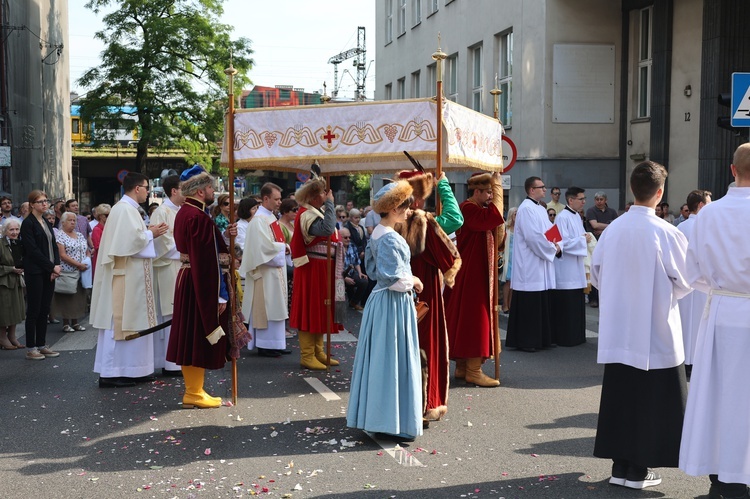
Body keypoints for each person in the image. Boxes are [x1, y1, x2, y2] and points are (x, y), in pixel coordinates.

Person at [592, 161, 691, 490]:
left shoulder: (613, 230)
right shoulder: (667, 232)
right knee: (651, 402)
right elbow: (685, 280)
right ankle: (638, 470)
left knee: (622, 397)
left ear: (633, 189)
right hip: (653, 329)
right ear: (660, 193)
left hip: (619, 328)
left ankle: (621, 466)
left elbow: (597, 275)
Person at [680, 144, 750, 498]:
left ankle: (722, 472)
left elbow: (692, 274)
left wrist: (721, 286)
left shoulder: (708, 215)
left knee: (721, 396)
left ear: (731, 170)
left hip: (723, 311)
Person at [346, 180, 424, 442]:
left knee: (382, 361)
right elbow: (394, 279)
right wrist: (415, 281)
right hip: (392, 303)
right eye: (404, 206)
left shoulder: (378, 233)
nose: (407, 210)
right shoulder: (389, 237)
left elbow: (375, 272)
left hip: (382, 303)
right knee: (393, 361)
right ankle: (393, 422)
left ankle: (380, 418)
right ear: (392, 209)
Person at [167, 166, 246, 408]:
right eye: (211, 187)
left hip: (189, 279)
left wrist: (224, 234)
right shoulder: (197, 216)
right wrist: (218, 296)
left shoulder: (188, 212)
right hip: (198, 282)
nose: (214, 191)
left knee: (192, 336)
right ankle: (193, 392)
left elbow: (208, 248)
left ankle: (195, 390)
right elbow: (205, 262)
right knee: (196, 336)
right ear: (201, 191)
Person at [91, 172, 169, 388]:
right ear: (137, 188)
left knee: (135, 322)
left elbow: (133, 238)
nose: (148, 192)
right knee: (120, 324)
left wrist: (150, 233)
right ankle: (112, 372)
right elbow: (128, 243)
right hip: (124, 278)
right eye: (146, 188)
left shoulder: (129, 210)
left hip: (133, 276)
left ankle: (135, 369)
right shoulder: (124, 210)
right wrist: (151, 233)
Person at [395, 168, 462, 420]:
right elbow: (456, 219)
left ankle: (397, 405)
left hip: (393, 291)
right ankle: (425, 402)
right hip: (424, 292)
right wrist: (444, 184)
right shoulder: (422, 221)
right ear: (420, 197)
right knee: (426, 344)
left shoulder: (389, 220)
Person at [445, 172, 504, 387]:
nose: (490, 196)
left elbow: (496, 230)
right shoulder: (468, 208)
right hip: (471, 272)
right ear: (476, 191)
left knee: (466, 318)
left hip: (476, 270)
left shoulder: (477, 209)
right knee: (473, 320)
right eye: (488, 192)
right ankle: (473, 370)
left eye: (491, 192)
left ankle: (462, 366)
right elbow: (492, 219)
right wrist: (498, 190)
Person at [289, 173, 343, 370]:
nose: (327, 194)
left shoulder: (313, 212)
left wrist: (327, 204)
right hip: (312, 267)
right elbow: (328, 229)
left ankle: (318, 350)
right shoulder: (307, 214)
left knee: (321, 309)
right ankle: (307, 354)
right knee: (310, 310)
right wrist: (330, 204)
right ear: (313, 196)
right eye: (323, 192)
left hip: (322, 267)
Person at [505, 176, 560, 353]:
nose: (545, 190)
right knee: (530, 303)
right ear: (531, 190)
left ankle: (542, 338)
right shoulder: (526, 209)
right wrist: (552, 249)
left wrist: (558, 244)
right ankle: (527, 340)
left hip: (540, 262)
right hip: (530, 264)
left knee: (541, 301)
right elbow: (533, 237)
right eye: (541, 187)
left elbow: (550, 230)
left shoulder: (541, 209)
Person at [240, 182, 290, 358]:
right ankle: (265, 344)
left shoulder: (270, 217)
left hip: (275, 271)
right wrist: (282, 247)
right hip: (265, 273)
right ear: (266, 198)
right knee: (268, 307)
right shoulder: (259, 220)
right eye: (276, 199)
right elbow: (261, 248)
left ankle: (277, 343)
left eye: (280, 199)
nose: (279, 202)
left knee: (276, 307)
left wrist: (283, 247)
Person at [149, 175, 184, 376]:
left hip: (180, 266)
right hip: (168, 267)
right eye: (184, 190)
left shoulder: (180, 211)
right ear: (174, 191)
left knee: (179, 314)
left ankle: (176, 360)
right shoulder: (162, 212)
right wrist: (188, 251)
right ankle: (170, 362)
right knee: (170, 314)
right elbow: (163, 244)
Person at [20, 191, 62, 360]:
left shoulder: (45, 220)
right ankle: (31, 347)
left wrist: (56, 265)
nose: (45, 204)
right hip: (35, 271)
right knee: (34, 309)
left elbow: (53, 244)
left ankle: (41, 344)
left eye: (46, 201)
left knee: (45, 308)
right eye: (40, 202)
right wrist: (51, 267)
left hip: (48, 270)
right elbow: (33, 251)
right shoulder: (28, 223)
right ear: (32, 204)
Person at [676, 190, 711, 379]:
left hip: (683, 283)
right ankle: (695, 361)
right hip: (701, 282)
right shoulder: (706, 226)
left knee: (684, 323)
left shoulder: (680, 227)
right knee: (698, 324)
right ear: (701, 206)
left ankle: (683, 361)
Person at [551, 187, 589, 347]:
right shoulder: (562, 218)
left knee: (576, 303)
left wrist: (583, 238)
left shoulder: (577, 217)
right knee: (566, 306)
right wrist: (582, 240)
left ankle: (577, 336)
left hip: (576, 267)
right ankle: (565, 337)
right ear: (571, 200)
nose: (584, 202)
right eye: (581, 199)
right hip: (565, 269)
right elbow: (562, 242)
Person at [53, 212, 90, 332]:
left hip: (82, 272)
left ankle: (76, 322)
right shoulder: (60, 235)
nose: (73, 222)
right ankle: (66, 323)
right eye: (70, 220)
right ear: (63, 222)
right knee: (67, 297)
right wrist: (78, 264)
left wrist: (87, 260)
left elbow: (87, 249)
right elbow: (62, 255)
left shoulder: (79, 235)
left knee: (78, 297)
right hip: (68, 271)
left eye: (74, 220)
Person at [585, 191, 617, 308]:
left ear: (606, 200)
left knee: (607, 272)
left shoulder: (612, 212)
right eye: (597, 199)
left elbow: (615, 226)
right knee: (594, 269)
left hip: (608, 244)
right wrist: (609, 227)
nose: (599, 201)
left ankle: (605, 298)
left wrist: (602, 228)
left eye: (601, 199)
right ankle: (593, 298)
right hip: (594, 245)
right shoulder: (591, 211)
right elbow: (594, 226)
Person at [0, 218, 25, 349]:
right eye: (11, 229)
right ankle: (2, 337)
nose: (15, 232)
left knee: (16, 310)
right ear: (5, 231)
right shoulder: (0, 243)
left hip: (17, 281)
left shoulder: (18, 243)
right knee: (5, 311)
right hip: (4, 282)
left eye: (17, 229)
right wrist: (11, 269)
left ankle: (12, 336)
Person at [340, 227, 370, 311]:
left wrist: (360, 273)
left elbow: (356, 261)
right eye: (345, 237)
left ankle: (354, 302)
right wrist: (344, 278)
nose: (348, 239)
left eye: (349, 237)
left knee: (364, 281)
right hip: (339, 274)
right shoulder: (336, 247)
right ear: (340, 237)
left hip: (351, 272)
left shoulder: (352, 245)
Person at [278, 198, 298, 312]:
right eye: (294, 210)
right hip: (287, 262)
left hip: (294, 260)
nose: (296, 212)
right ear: (285, 212)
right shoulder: (280, 225)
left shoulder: (292, 225)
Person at [501, 207, 518, 314]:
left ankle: (511, 304)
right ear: (511, 215)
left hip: (517, 257)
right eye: (515, 214)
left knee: (514, 283)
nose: (517, 216)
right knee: (508, 282)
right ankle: (505, 304)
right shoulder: (505, 228)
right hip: (507, 257)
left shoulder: (520, 228)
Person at [91, 204, 111, 273]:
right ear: (101, 216)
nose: (109, 217)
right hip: (100, 259)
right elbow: (98, 247)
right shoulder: (97, 229)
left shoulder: (108, 228)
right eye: (107, 215)